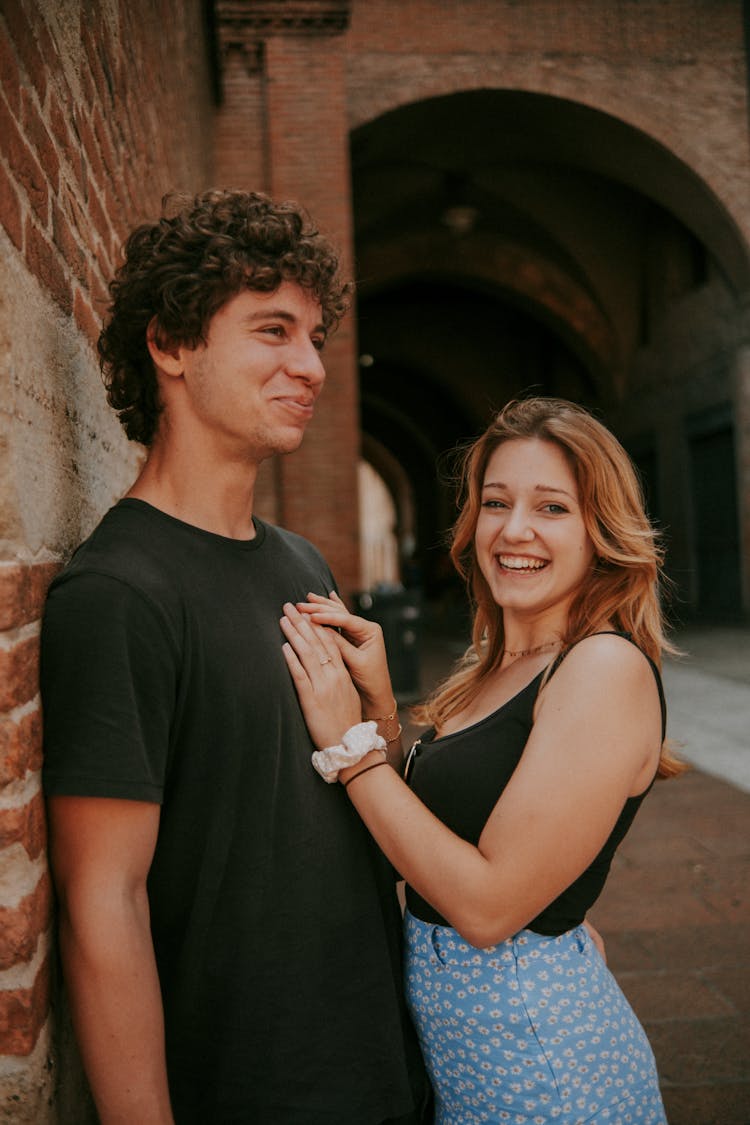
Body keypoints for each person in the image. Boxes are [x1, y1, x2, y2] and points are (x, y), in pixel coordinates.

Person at [41, 190, 428, 1124]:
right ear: (172, 345)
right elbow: (106, 906)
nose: (311, 365)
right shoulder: (118, 593)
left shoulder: (300, 561)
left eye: (314, 336)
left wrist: (385, 714)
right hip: (253, 1085)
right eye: (272, 331)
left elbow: (339, 801)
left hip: (377, 1062)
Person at [281, 396, 682, 1125]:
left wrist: (353, 748)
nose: (514, 529)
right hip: (472, 1058)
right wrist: (380, 711)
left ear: (601, 531)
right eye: (496, 501)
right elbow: (428, 832)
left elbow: (488, 906)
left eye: (553, 507)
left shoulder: (601, 668)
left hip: (543, 1067)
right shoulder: (501, 663)